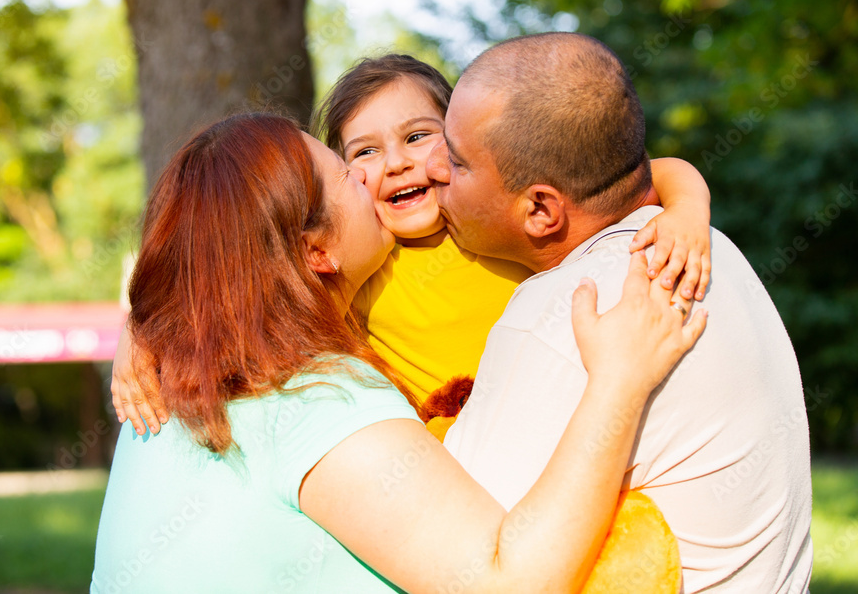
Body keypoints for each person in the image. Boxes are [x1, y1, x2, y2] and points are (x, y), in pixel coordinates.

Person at [90, 112, 706, 592]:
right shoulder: (314, 396)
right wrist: (619, 381)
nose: (367, 175)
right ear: (315, 254)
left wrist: (139, 329)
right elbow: (509, 583)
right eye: (344, 173)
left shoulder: (174, 386)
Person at [112, 54, 713, 422]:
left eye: (418, 136)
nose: (397, 164)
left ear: (460, 141)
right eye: (365, 152)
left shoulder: (487, 225)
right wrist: (137, 336)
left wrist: (688, 210)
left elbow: (646, 172)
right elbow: (233, 297)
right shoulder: (361, 267)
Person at [428, 32, 813, 592]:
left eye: (458, 162)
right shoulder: (714, 248)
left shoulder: (568, 308)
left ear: (540, 210)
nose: (433, 168)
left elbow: (462, 557)